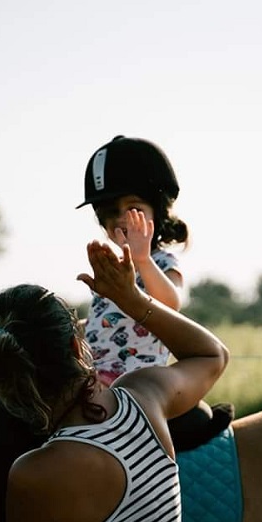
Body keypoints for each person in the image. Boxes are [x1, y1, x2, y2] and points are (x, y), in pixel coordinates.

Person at [0, 240, 229, 522]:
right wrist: (131, 299)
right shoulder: (144, 396)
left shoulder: (33, 475)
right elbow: (212, 355)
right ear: (76, 344)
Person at [76, 135, 232, 448]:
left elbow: (171, 303)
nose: (121, 218)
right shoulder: (112, 265)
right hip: (97, 377)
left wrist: (144, 259)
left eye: (133, 208)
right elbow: (103, 323)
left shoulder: (161, 261)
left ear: (156, 211)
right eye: (110, 211)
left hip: (142, 380)